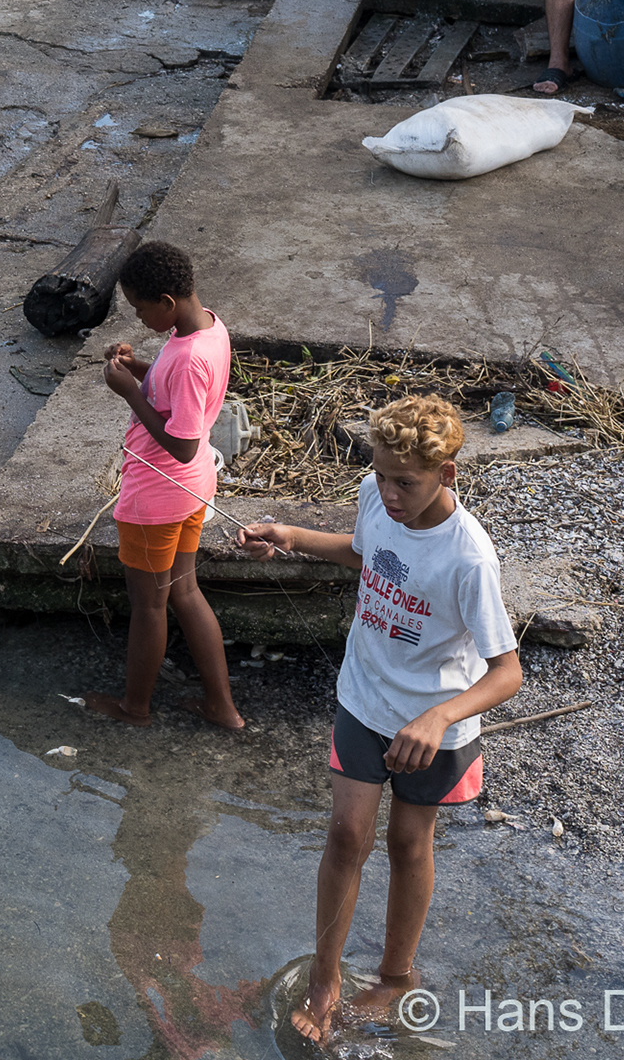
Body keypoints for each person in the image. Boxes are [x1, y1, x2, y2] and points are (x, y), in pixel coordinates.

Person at [236, 396, 523, 1043]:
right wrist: (289, 537)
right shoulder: (375, 493)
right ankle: (325, 975)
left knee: (406, 844)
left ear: (446, 475)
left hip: (434, 724)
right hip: (364, 698)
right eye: (383, 475)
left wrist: (438, 718)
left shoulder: (469, 557)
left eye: (407, 483)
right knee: (346, 834)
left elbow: (508, 671)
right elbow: (367, 555)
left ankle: (396, 977)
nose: (390, 493)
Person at [84, 241, 241, 731]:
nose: (138, 316)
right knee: (185, 593)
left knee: (149, 605)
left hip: (160, 494)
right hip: (192, 492)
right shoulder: (208, 329)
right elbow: (175, 392)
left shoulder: (191, 356)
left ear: (167, 302)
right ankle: (222, 708)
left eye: (139, 308)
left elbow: (184, 445)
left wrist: (130, 394)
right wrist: (139, 371)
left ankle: (136, 708)